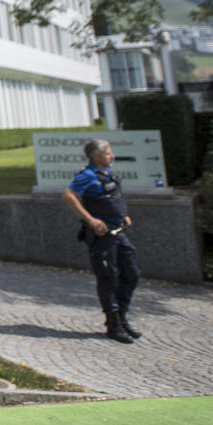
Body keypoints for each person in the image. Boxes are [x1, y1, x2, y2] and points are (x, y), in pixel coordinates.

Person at [62, 138, 142, 344]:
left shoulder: (107, 174)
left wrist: (122, 215)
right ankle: (113, 324)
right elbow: (68, 196)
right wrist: (90, 219)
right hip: (102, 236)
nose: (111, 156)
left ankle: (122, 316)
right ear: (96, 156)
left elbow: (112, 197)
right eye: (108, 153)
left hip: (118, 231)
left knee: (132, 273)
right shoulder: (87, 175)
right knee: (108, 278)